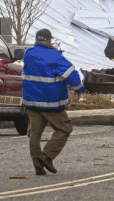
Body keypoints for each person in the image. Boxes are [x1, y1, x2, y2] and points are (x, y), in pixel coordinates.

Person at [22, 28, 85, 175]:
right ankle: (47, 156)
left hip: (31, 102)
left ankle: (38, 165)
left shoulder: (28, 54)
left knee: (35, 134)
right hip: (51, 103)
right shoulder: (54, 56)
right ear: (50, 41)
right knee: (64, 129)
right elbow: (71, 74)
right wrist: (79, 88)